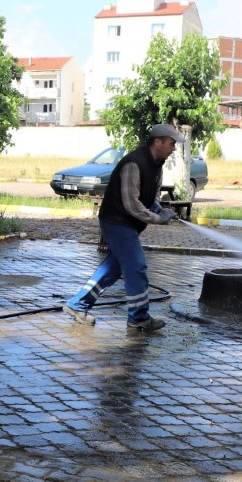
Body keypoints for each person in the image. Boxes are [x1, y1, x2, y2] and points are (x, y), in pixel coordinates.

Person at [63, 123, 184, 332]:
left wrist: (160, 208)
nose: (174, 148)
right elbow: (132, 205)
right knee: (136, 265)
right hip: (116, 221)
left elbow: (151, 196)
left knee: (113, 268)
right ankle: (138, 317)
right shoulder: (134, 163)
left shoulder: (158, 164)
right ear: (158, 141)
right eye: (172, 143)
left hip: (128, 223)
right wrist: (158, 219)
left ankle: (77, 304)